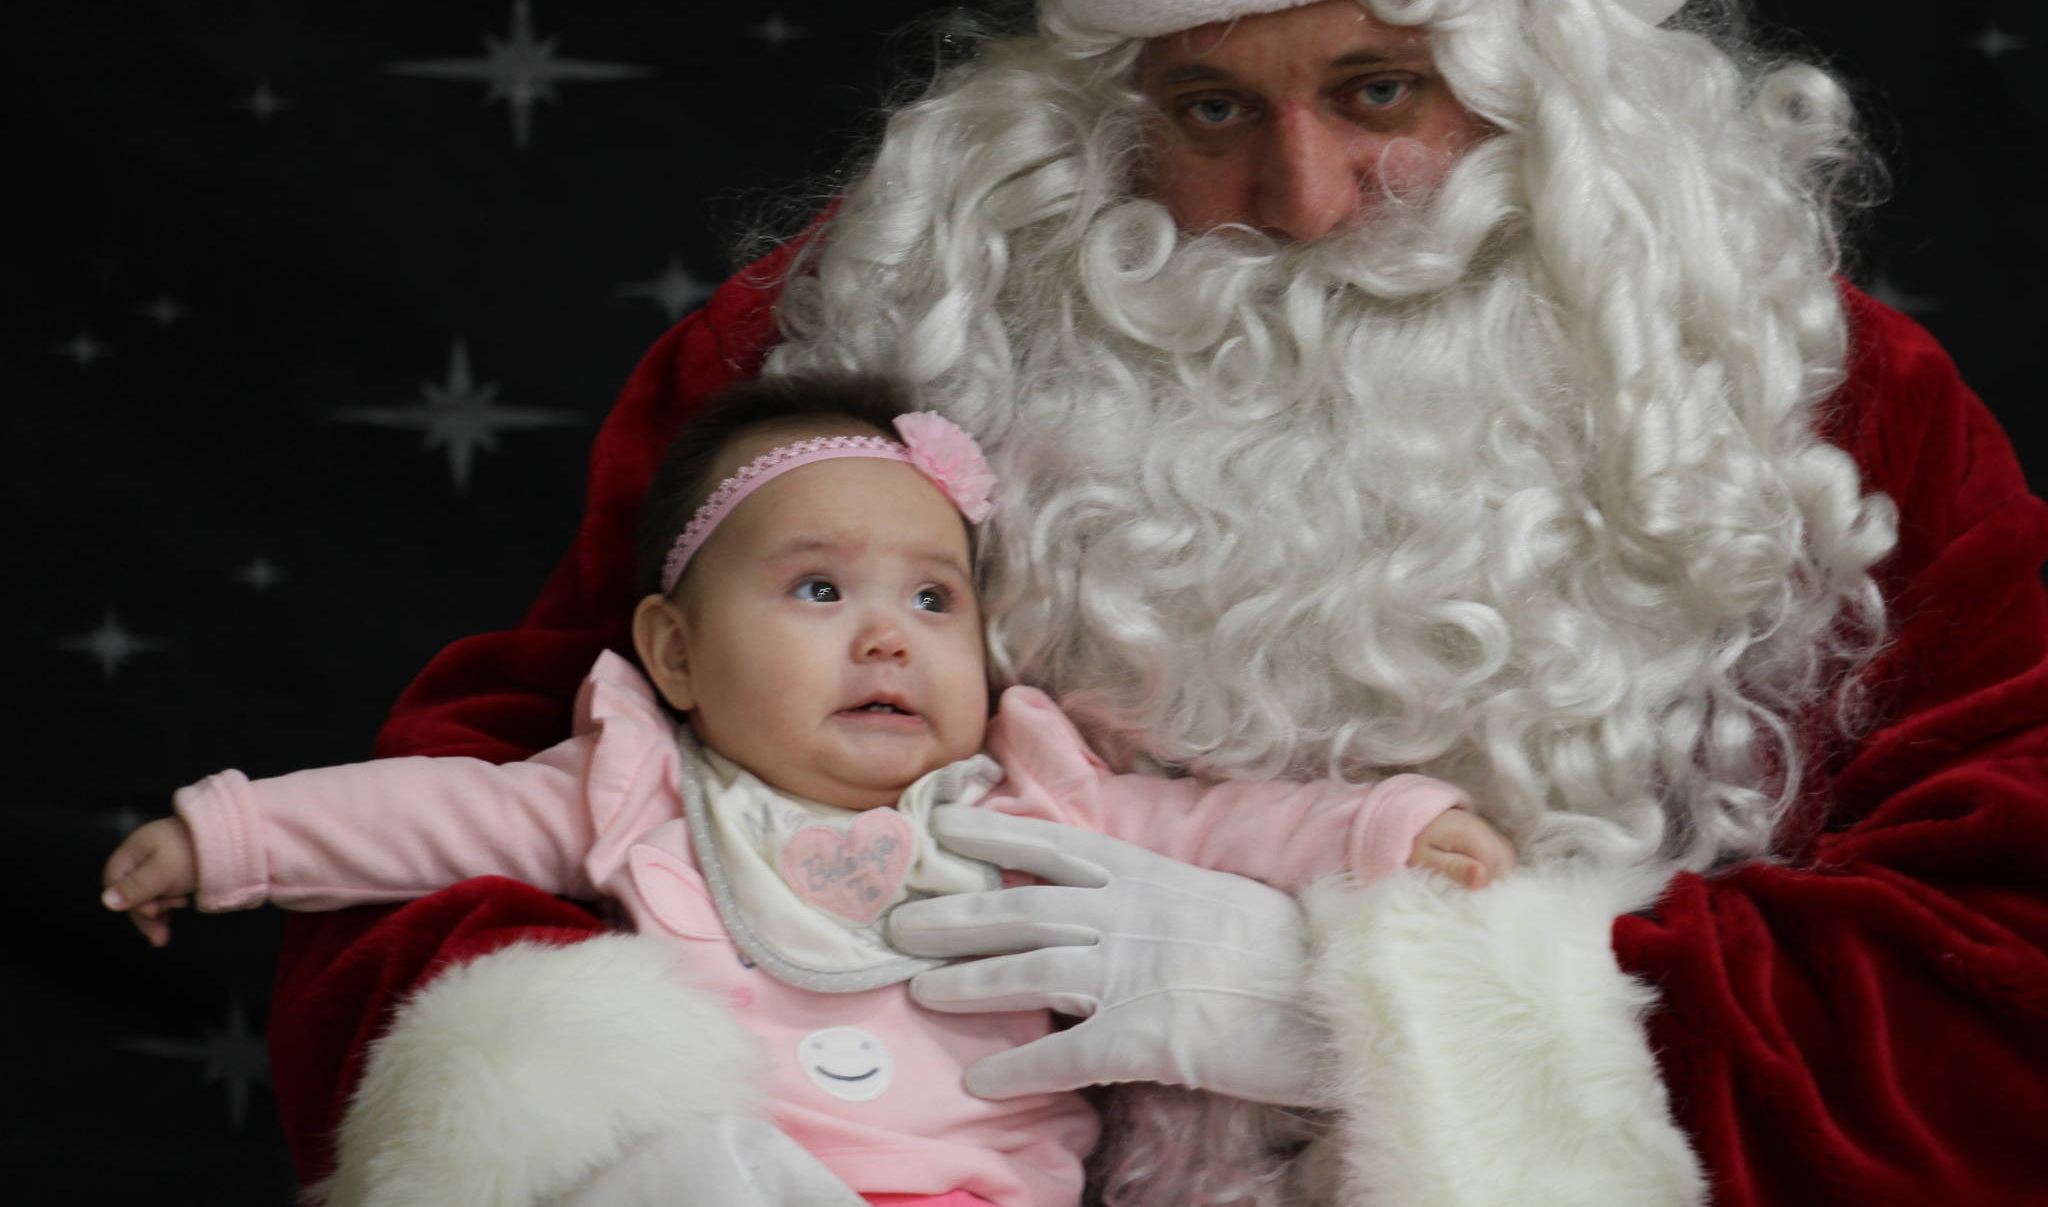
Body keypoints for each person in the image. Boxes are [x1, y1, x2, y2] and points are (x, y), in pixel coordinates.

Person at [233, 0, 2048, 1203]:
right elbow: (505, 785)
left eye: (1379, 91)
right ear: (1104, 113)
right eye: (1208, 109)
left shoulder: (1807, 387)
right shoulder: (861, 338)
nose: (1303, 197)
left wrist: (1339, 1002)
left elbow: (2005, 969)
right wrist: (639, 1127)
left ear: (1549, 90)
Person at [101, 375, 1515, 1207]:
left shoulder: (1025, 797)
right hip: (752, 1173)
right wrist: (223, 833)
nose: (886, 633)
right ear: (677, 652)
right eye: (819, 589)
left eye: (931, 596)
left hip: (979, 1194)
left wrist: (1391, 827)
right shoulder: (639, 789)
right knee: (681, 1170)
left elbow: (1220, 825)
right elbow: (417, 813)